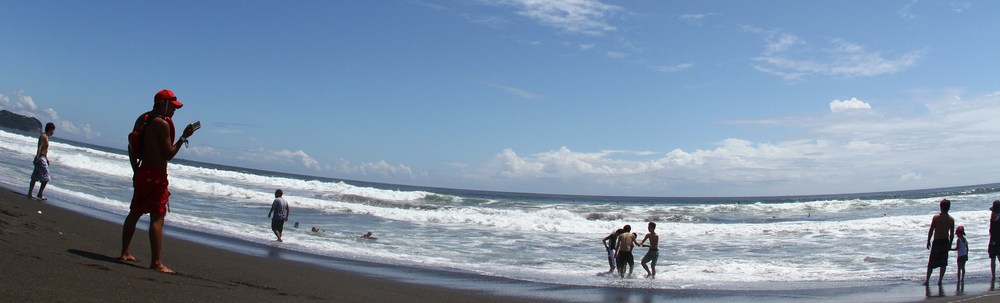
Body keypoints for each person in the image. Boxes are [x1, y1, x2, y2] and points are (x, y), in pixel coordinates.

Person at [119, 89, 197, 273]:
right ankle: (156, 262)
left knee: (135, 212)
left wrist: (135, 171)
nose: (174, 111)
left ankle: (124, 252)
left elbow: (131, 146)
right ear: (163, 104)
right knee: (157, 217)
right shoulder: (161, 124)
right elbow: (168, 153)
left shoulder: (142, 119)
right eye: (173, 107)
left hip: (142, 171)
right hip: (156, 175)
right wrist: (184, 137)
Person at [923, 199, 955, 286]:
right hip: (945, 241)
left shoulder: (936, 217)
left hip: (937, 241)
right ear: (949, 208)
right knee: (943, 263)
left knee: (931, 262)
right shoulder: (951, 219)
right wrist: (950, 244)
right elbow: (952, 234)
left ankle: (927, 280)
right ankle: (940, 280)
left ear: (940, 207)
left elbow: (931, 229)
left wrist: (928, 240)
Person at [27, 122, 55, 200]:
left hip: (42, 158)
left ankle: (30, 193)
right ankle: (39, 193)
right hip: (41, 159)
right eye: (53, 130)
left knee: (35, 176)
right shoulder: (44, 136)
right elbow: (40, 147)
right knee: (46, 178)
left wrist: (46, 158)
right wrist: (37, 156)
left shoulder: (45, 136)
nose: (53, 132)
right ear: (50, 129)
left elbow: (44, 149)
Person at [990, 200, 1000, 281]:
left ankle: (993, 276)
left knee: (993, 258)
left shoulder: (992, 217)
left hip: (993, 239)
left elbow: (991, 230)